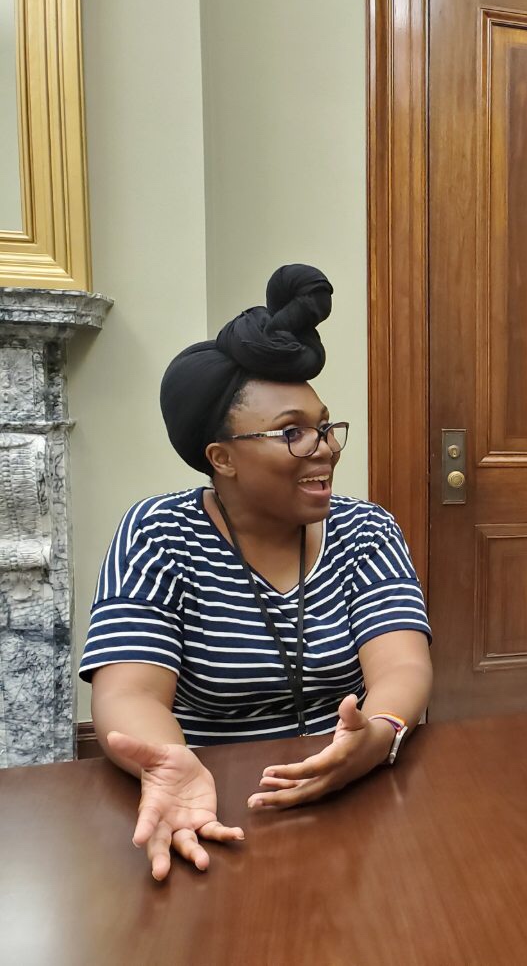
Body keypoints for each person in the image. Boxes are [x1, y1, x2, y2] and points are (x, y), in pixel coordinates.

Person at [79, 264, 434, 882]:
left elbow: (401, 664)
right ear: (222, 459)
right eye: (291, 433)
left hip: (356, 788)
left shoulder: (368, 529)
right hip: (211, 798)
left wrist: (379, 733)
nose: (323, 447)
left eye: (324, 426)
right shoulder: (158, 533)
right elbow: (129, 691)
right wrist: (170, 761)